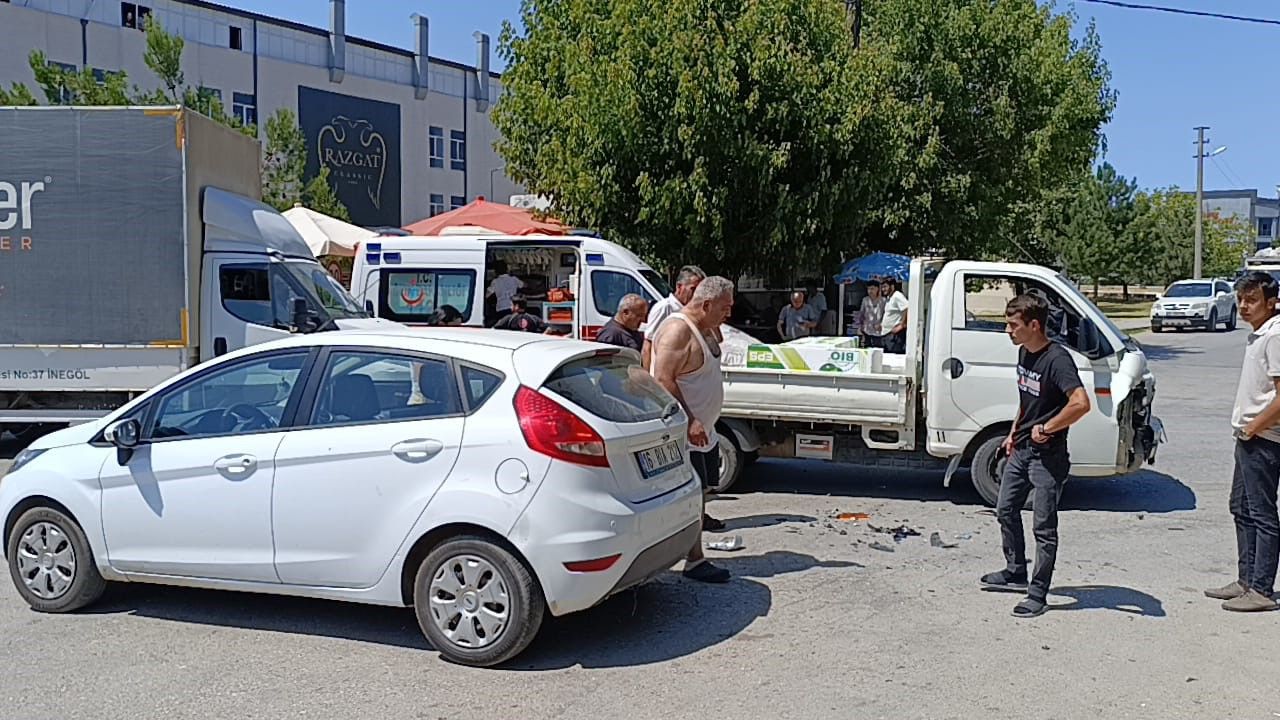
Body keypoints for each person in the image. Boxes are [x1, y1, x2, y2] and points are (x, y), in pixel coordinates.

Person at [980, 293, 1091, 618]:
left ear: (1034, 325)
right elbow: (1027, 400)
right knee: (1005, 509)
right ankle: (1015, 572)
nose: (1008, 331)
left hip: (1047, 456)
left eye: (1013, 325)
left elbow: (1081, 403)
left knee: (1043, 528)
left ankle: (1038, 594)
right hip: (1021, 449)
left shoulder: (1057, 360)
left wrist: (1049, 427)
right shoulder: (1024, 353)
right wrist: (1013, 433)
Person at [648, 276, 736, 580]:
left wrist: (716, 319)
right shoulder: (678, 330)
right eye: (725, 307)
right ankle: (694, 560)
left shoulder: (705, 326)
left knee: (701, 494)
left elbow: (716, 346)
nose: (729, 313)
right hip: (686, 433)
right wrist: (690, 420)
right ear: (706, 304)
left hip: (705, 432)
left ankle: (692, 556)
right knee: (690, 496)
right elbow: (662, 379)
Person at [1205, 271, 1280, 612]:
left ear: (1271, 302)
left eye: (1252, 300)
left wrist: (1253, 427)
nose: (1244, 306)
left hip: (1264, 439)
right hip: (1249, 436)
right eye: (1240, 299)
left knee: (1262, 514)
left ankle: (1261, 589)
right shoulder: (1260, 334)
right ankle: (1246, 580)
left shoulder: (1275, 336)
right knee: (1241, 507)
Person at [643, 265, 706, 366]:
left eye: (700, 291)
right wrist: (648, 375)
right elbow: (648, 345)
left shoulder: (696, 311)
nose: (697, 295)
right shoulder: (664, 308)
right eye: (693, 289)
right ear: (679, 286)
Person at [881, 278, 910, 354]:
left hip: (894, 335)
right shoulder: (889, 298)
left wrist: (902, 325)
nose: (883, 289)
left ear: (892, 286)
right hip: (886, 333)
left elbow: (907, 308)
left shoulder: (897, 295)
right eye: (882, 287)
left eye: (885, 287)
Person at [859, 281, 888, 348]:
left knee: (877, 349)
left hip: (879, 331)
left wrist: (882, 324)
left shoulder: (883, 300)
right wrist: (860, 326)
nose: (870, 291)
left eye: (872, 289)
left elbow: (886, 314)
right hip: (867, 330)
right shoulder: (865, 300)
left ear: (877, 289)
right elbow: (861, 313)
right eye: (868, 289)